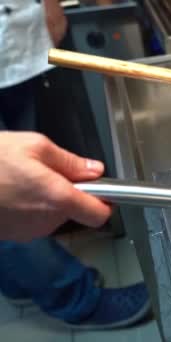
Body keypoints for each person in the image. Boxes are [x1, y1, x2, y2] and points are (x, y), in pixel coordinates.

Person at [0, 0, 151, 329]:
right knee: (15, 189)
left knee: (22, 170)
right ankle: (75, 299)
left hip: (18, 40)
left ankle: (18, 279)